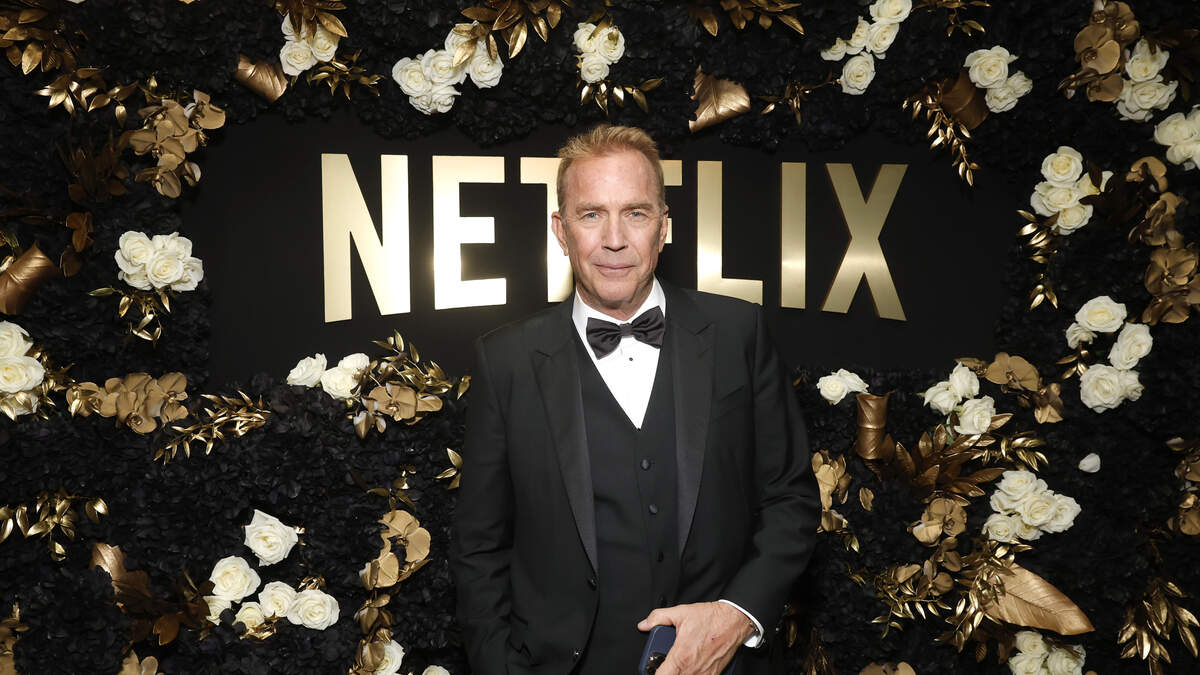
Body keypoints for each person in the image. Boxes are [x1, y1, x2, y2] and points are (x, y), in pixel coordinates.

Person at [450, 124, 819, 675]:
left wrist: (736, 617)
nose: (615, 239)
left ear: (664, 227)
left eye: (636, 213)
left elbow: (791, 499)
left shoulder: (738, 333)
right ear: (561, 230)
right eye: (591, 214)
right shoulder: (505, 361)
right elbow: (478, 547)